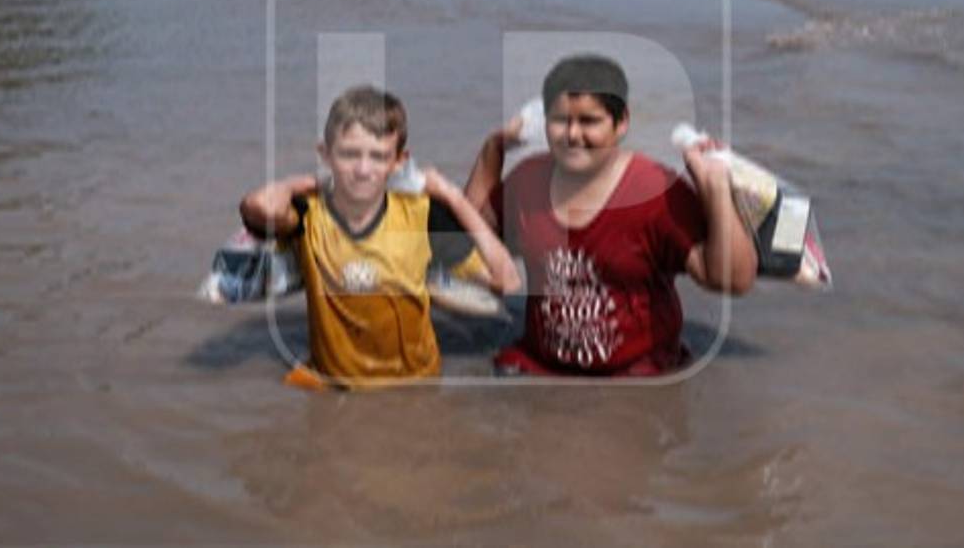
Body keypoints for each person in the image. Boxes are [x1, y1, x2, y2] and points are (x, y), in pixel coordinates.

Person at [464, 54, 758, 376]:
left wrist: (715, 187)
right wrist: (494, 148)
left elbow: (732, 279)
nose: (573, 135)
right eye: (560, 120)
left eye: (590, 121)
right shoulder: (528, 181)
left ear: (621, 123)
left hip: (637, 375)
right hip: (541, 364)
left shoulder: (657, 192)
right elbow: (471, 236)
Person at [241, 85, 520, 388]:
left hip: (416, 386)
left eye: (378, 156)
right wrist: (316, 182)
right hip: (334, 385)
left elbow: (506, 279)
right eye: (349, 155)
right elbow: (257, 206)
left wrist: (452, 196)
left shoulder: (422, 215)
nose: (362, 170)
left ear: (399, 161)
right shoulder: (309, 213)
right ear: (325, 154)